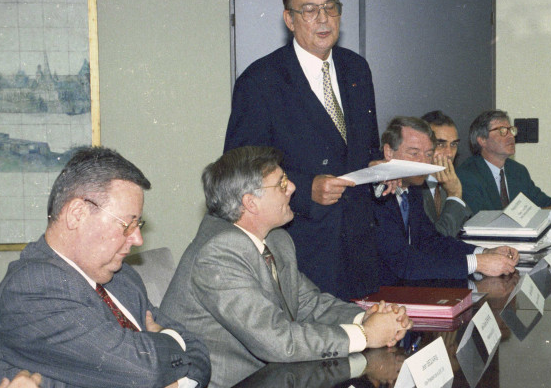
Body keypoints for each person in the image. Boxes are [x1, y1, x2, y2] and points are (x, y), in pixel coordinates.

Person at [160, 146, 411, 388]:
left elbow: (308, 303)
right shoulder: (217, 253)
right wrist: (364, 335)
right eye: (281, 184)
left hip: (276, 375)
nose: (292, 188)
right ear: (250, 203)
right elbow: (276, 340)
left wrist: (366, 317)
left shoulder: (276, 239)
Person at [0, 147, 211, 388]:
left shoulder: (122, 277)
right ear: (77, 214)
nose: (138, 239)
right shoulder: (31, 288)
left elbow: (200, 353)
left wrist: (173, 372)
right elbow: (145, 369)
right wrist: (171, 340)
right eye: (127, 224)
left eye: (138, 224)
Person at [224, 0, 381, 300]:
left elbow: (365, 149)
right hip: (304, 250)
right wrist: (307, 189)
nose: (323, 18)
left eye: (331, 7)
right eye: (309, 10)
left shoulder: (357, 69)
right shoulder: (261, 81)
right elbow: (239, 172)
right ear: (290, 19)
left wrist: (382, 172)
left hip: (361, 250)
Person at [373, 117, 518, 286]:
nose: (424, 162)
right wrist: (477, 263)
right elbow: (404, 263)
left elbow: (432, 242)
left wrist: (484, 252)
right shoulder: (376, 195)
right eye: (414, 153)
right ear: (389, 153)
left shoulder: (411, 189)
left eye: (428, 154)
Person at [456, 110, 551, 218]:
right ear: (482, 140)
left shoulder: (517, 170)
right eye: (502, 131)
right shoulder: (467, 174)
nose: (511, 136)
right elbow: (488, 218)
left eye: (511, 130)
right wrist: (547, 213)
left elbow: (541, 201)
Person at [420, 110, 471, 237]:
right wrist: (454, 195)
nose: (449, 153)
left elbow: (468, 228)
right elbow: (435, 242)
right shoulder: (411, 186)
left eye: (453, 144)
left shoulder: (449, 182)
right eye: (440, 144)